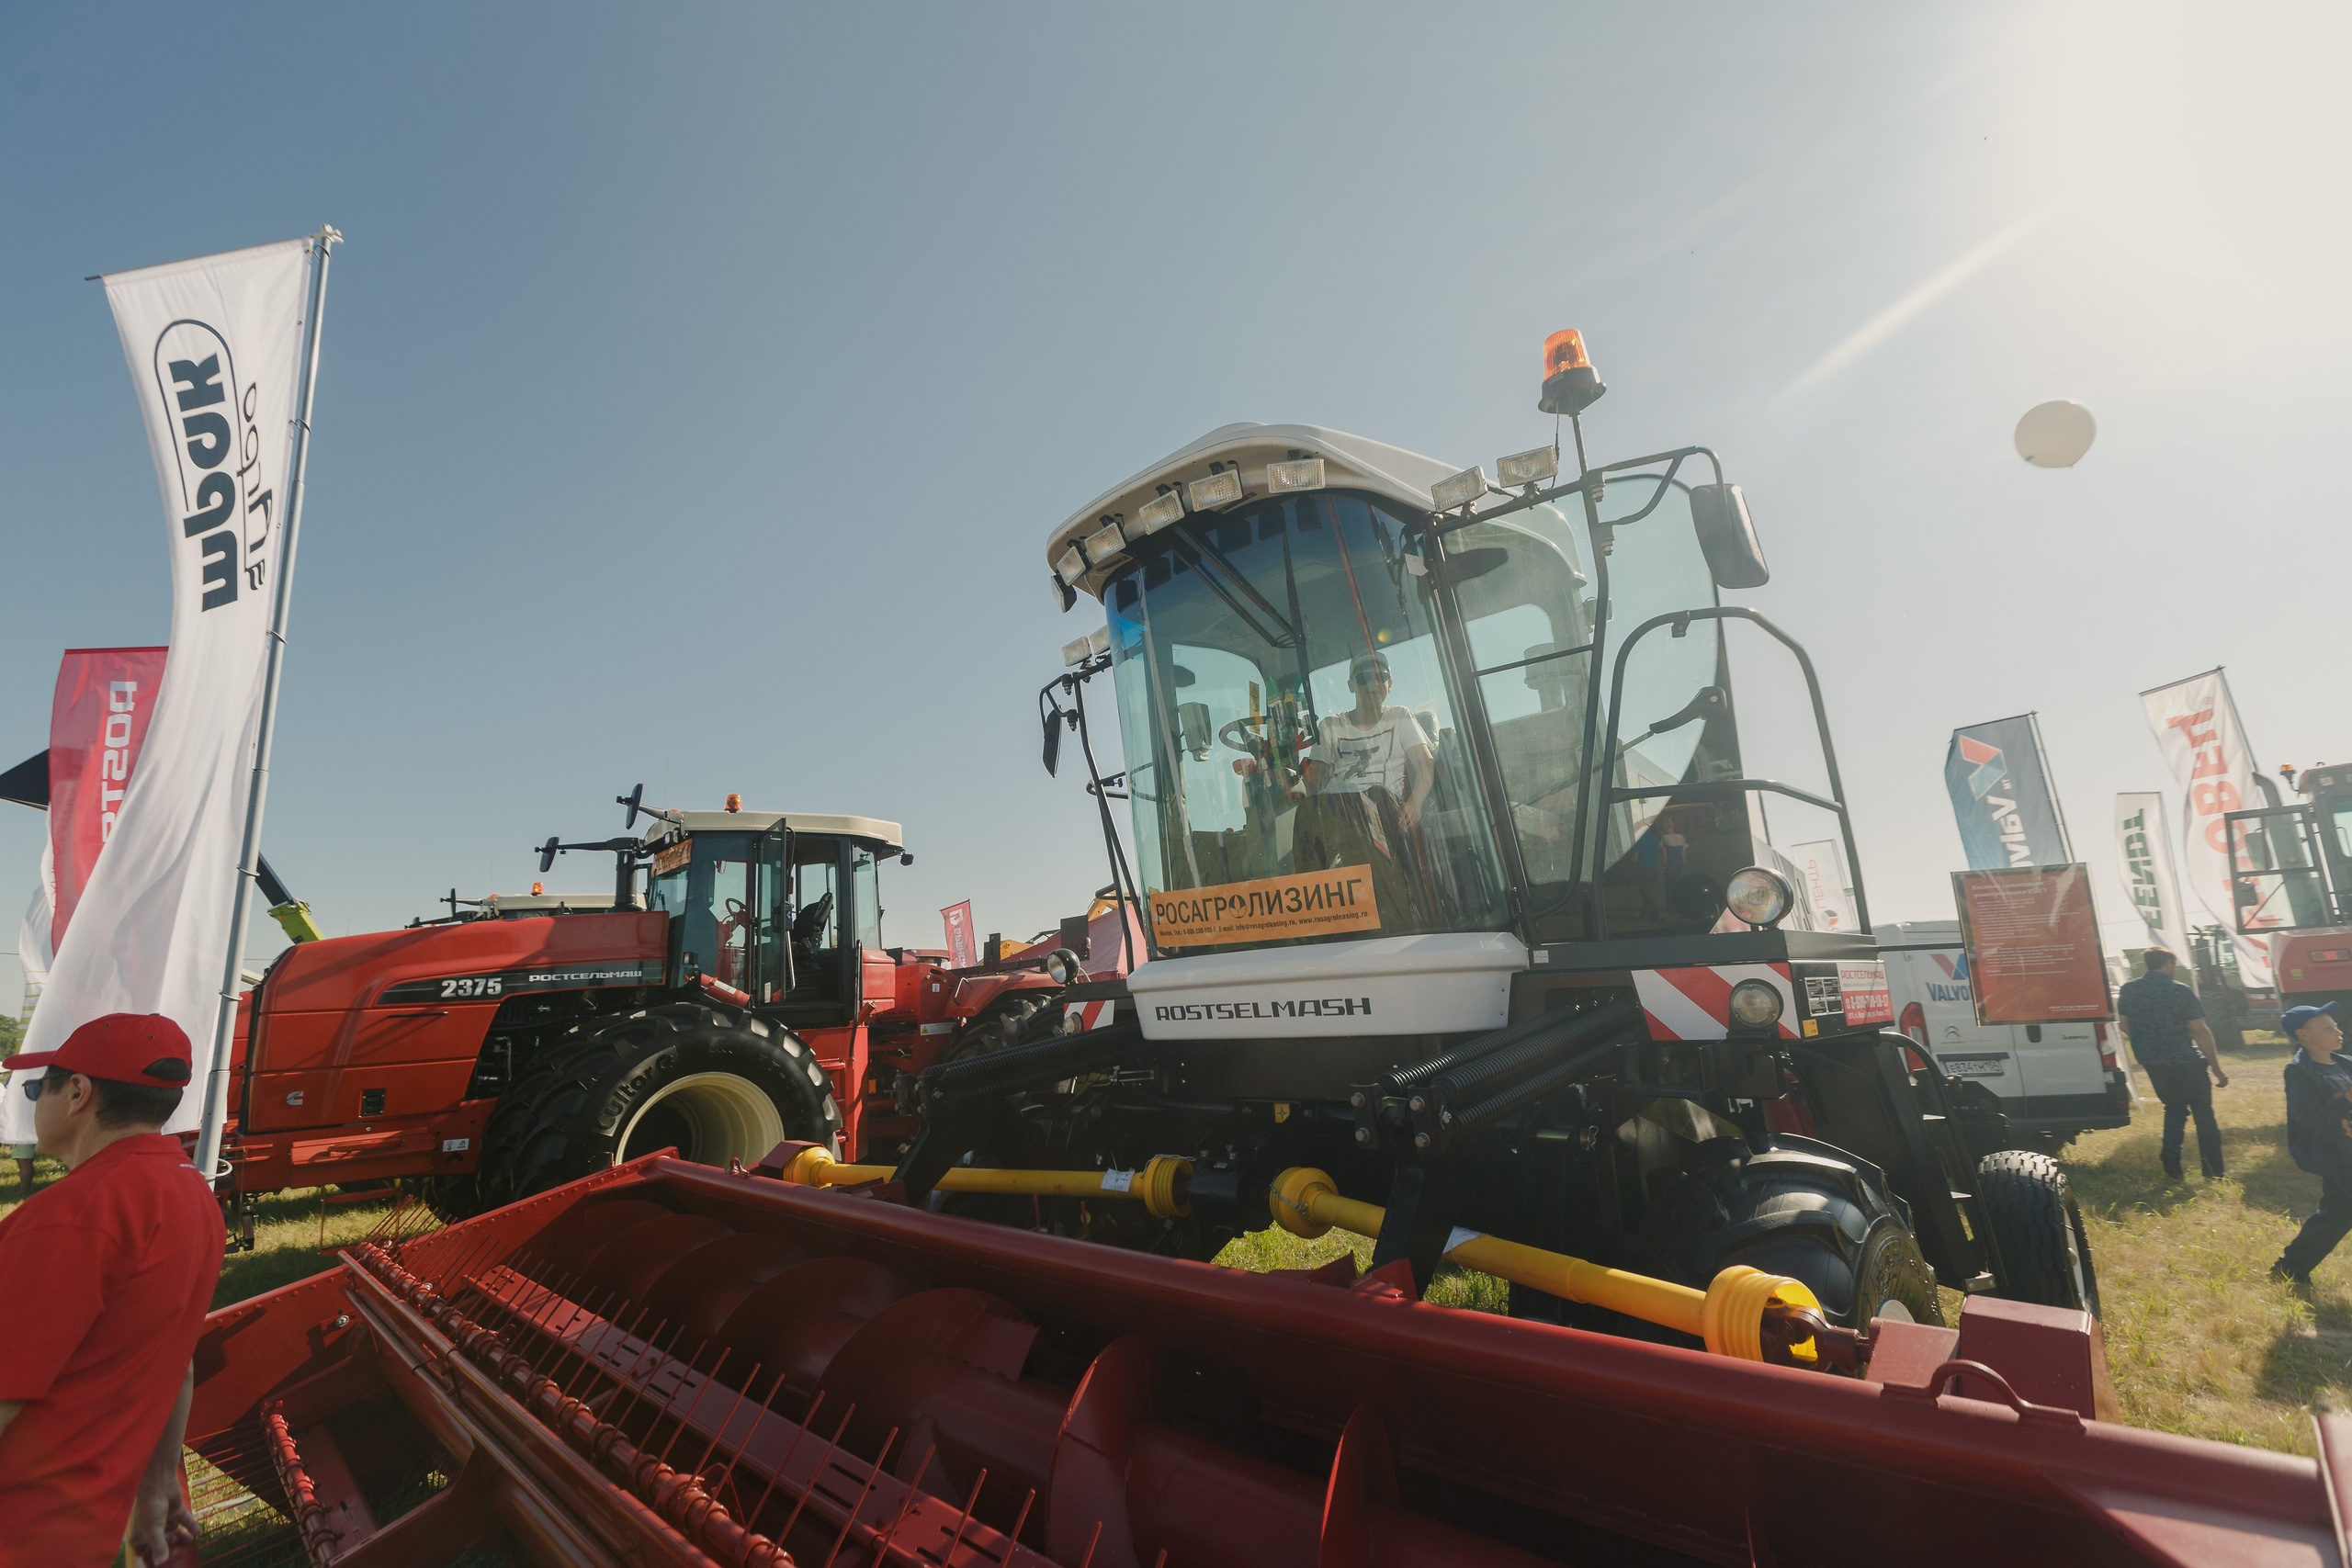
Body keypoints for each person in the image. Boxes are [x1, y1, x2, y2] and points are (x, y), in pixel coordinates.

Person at [0, 1014, 224, 1566]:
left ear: (77, 1092)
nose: (34, 1100)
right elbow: (177, 1363)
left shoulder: (70, 1217)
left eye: (36, 1087)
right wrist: (154, 1485)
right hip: (90, 1531)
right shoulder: (191, 1194)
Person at [2114, 947, 2229, 1179]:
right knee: (2203, 1114)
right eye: (2174, 965)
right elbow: (2200, 1031)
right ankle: (2213, 1170)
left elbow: (2125, 1025)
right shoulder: (2179, 990)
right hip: (2185, 1060)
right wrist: (2216, 1068)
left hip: (2153, 1062)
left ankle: (2170, 1151)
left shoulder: (2129, 989)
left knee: (2174, 1107)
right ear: (2168, 963)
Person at [2276, 1002, 2352, 1287]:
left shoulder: (2345, 1063)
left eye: (2336, 1026)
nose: (2337, 1031)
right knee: (2338, 1212)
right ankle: (2290, 1266)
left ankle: (2290, 1267)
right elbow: (2306, 1118)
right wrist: (2342, 1100)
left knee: (2338, 1214)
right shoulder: (2300, 1072)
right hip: (2337, 1155)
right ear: (2304, 1035)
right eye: (2327, 1028)